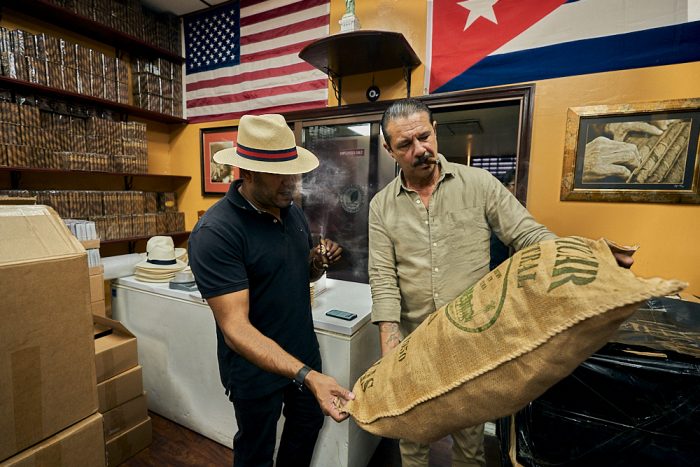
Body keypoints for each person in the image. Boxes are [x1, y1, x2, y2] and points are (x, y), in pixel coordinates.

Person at [368, 98, 634, 467]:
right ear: (388, 149)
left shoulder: (479, 184)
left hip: (471, 340)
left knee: (470, 442)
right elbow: (383, 278)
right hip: (414, 344)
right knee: (411, 438)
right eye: (405, 145)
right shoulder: (381, 206)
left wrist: (591, 255)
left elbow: (529, 236)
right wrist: (389, 356)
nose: (420, 150)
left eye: (425, 137)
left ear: (434, 129)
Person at [188, 114, 354, 467]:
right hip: (253, 370)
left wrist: (316, 263)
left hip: (302, 352)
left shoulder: (290, 211)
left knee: (305, 431)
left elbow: (295, 275)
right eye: (278, 173)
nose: (291, 182)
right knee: (256, 451)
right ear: (245, 172)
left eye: (293, 170)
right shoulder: (216, 232)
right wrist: (308, 376)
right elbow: (236, 329)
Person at [489, 168, 516, 270]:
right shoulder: (496, 205)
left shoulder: (519, 207)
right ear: (505, 186)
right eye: (514, 184)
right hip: (495, 264)